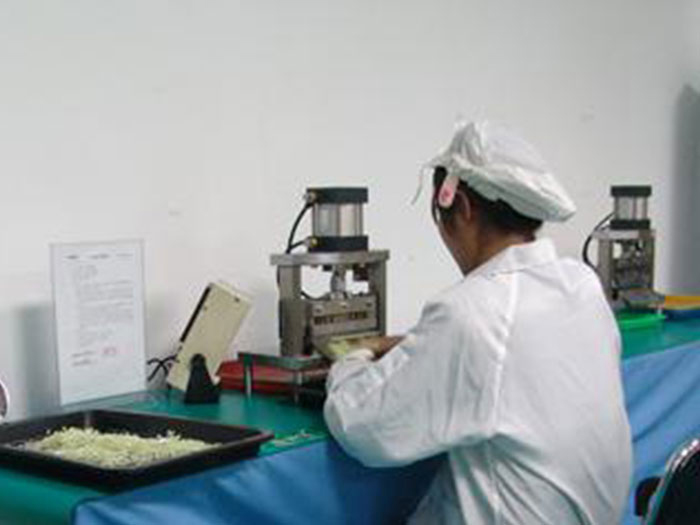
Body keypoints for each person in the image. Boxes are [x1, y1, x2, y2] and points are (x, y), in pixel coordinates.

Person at [323, 121, 632, 525]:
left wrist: (353, 355)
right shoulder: (581, 284)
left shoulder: (473, 312)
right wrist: (423, 346)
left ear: (463, 208)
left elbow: (361, 426)